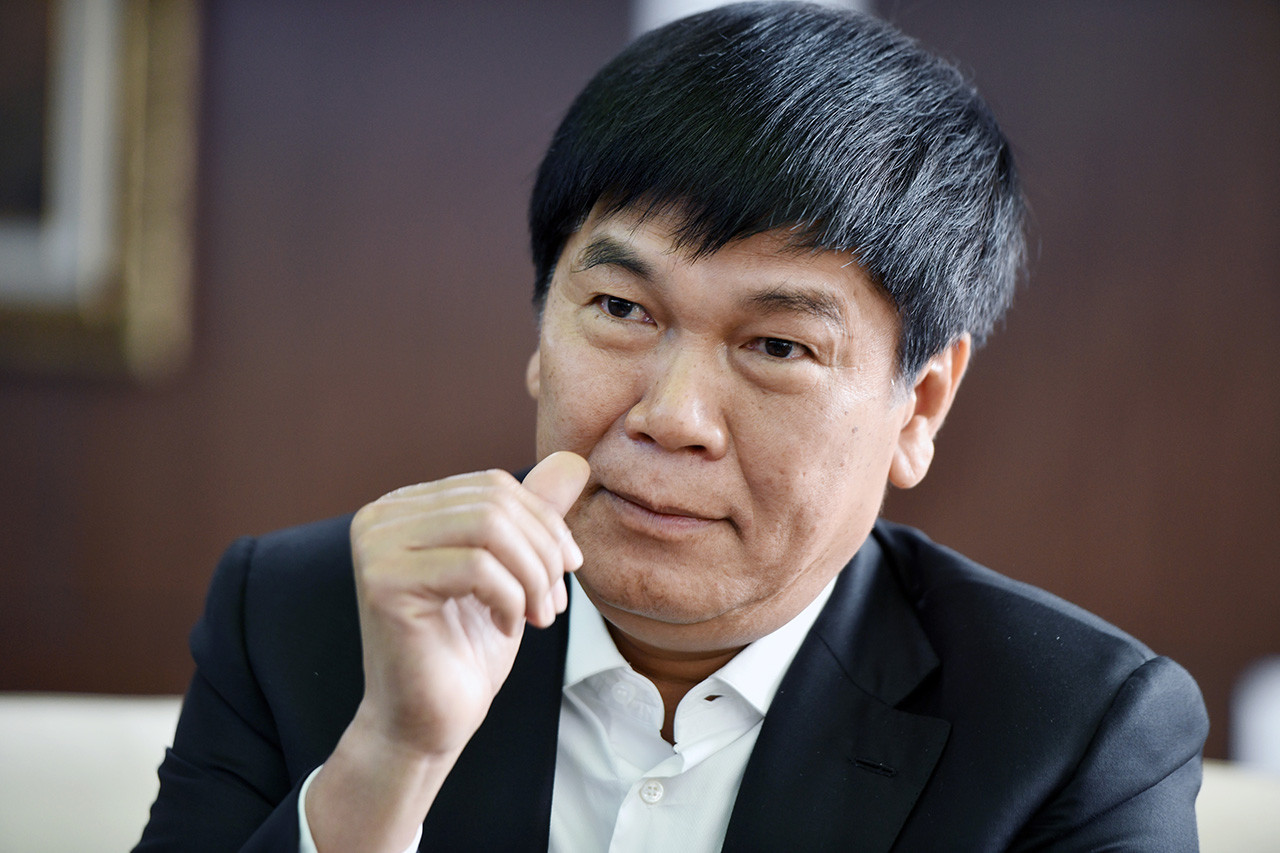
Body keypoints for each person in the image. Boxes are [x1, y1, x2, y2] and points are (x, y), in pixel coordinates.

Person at [136, 3, 1208, 851]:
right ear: (540, 325)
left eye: (777, 345)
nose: (671, 417)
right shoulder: (306, 619)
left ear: (917, 406)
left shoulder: (1071, 731)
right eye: (620, 308)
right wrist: (387, 765)